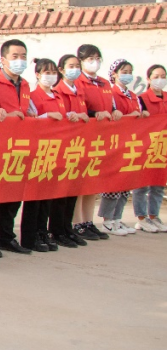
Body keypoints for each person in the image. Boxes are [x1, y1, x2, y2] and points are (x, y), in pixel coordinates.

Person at [0, 39, 36, 256]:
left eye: (23, 56)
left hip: (20, 146)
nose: (19, 60)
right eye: (15, 56)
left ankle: (7, 237)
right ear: (2, 59)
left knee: (13, 196)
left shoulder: (25, 85)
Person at [20, 58, 69, 252]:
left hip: (55, 150)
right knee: (34, 196)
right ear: (38, 75)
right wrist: (46, 117)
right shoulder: (33, 96)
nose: (51, 76)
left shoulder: (58, 96)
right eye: (46, 72)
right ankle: (30, 236)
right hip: (38, 150)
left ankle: (42, 231)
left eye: (53, 72)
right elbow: (29, 120)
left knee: (48, 195)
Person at [72, 44, 119, 241]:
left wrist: (114, 111)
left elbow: (111, 105)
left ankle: (88, 221)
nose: (95, 62)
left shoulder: (104, 83)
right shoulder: (78, 82)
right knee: (79, 182)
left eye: (97, 58)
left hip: (100, 138)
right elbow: (80, 107)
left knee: (93, 182)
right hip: (83, 136)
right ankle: (76, 222)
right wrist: (94, 114)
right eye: (90, 58)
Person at [50, 53, 92, 246]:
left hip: (78, 145)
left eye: (77, 66)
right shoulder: (58, 91)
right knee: (61, 191)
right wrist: (71, 116)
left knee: (73, 189)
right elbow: (60, 117)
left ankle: (67, 228)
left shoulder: (79, 90)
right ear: (61, 69)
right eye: (71, 66)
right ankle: (57, 230)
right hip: (63, 147)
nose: (75, 69)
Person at [99, 59, 143, 236]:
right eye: (124, 71)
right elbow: (113, 116)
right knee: (113, 184)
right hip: (116, 142)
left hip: (130, 142)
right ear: (114, 74)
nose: (127, 75)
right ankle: (107, 220)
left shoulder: (132, 95)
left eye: (130, 71)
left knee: (126, 183)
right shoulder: (110, 93)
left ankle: (117, 218)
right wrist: (129, 116)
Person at [134, 64, 167, 233]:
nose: (160, 80)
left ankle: (154, 216)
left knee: (158, 183)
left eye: (163, 76)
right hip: (146, 146)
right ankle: (141, 218)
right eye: (156, 77)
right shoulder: (142, 99)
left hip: (163, 147)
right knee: (142, 183)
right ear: (148, 79)